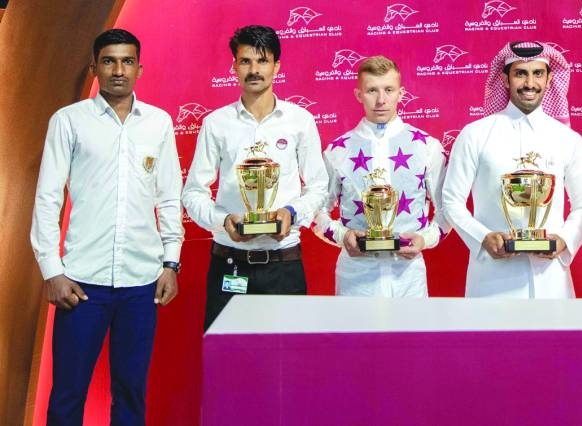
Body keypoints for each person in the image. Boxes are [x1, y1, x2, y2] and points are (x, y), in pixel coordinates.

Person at [30, 29, 183, 426]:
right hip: (82, 283)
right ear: (94, 67)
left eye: (127, 61)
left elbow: (168, 197)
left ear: (140, 68)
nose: (119, 70)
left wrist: (171, 263)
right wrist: (53, 271)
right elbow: (48, 199)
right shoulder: (69, 121)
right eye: (110, 61)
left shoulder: (159, 123)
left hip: (141, 282)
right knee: (67, 394)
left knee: (131, 392)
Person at [183, 25, 326, 328]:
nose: (254, 69)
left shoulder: (300, 121)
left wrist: (290, 213)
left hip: (283, 264)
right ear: (234, 66)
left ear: (277, 66)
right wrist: (224, 221)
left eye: (262, 61)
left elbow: (318, 187)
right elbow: (193, 193)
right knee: (228, 366)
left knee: (287, 366)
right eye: (245, 61)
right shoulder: (216, 124)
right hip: (230, 264)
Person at [441, 40, 582, 298]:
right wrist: (483, 238)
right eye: (520, 73)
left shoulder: (568, 139)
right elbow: (451, 201)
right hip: (491, 279)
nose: (529, 83)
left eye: (538, 73)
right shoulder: (476, 134)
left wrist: (564, 240)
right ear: (505, 79)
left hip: (551, 281)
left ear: (549, 79)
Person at [313, 55, 448, 296]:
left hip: (408, 278)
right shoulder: (337, 151)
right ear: (358, 95)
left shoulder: (427, 147)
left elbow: (447, 212)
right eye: (372, 90)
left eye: (389, 89)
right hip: (356, 278)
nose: (381, 100)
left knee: (409, 336)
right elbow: (316, 211)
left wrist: (424, 239)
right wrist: (343, 236)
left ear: (401, 93)